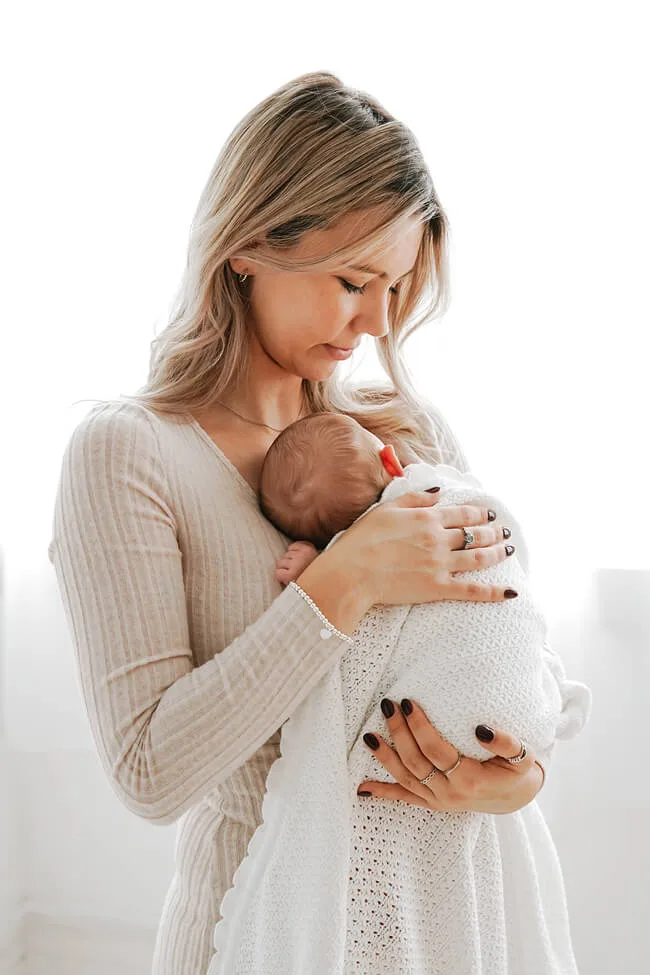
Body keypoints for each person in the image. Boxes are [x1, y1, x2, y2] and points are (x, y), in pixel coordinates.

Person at [47, 72, 577, 974]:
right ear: (249, 244)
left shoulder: (404, 437)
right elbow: (150, 772)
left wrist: (510, 777)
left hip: (434, 927)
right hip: (249, 934)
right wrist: (349, 576)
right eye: (352, 279)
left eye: (396, 286)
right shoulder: (128, 455)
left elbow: (512, 659)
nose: (375, 321)